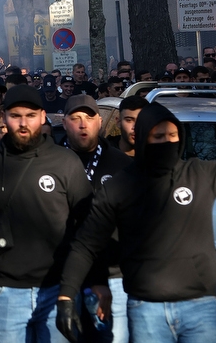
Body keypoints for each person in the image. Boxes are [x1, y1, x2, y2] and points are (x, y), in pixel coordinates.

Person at [58, 103, 216, 343]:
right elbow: (86, 244)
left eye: (172, 135)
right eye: (158, 136)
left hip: (201, 306)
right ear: (144, 139)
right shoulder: (119, 187)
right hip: (146, 308)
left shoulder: (200, 174)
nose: (167, 142)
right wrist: (66, 296)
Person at [0, 85, 93, 343]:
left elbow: (87, 227)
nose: (23, 123)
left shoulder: (66, 162)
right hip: (5, 291)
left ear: (42, 116)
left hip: (58, 289)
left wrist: (73, 287)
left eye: (31, 115)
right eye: (15, 116)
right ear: (3, 118)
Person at [59, 95, 132, 343]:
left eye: (89, 118)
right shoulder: (50, 162)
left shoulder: (123, 165)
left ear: (100, 122)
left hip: (114, 275)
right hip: (61, 275)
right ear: (64, 122)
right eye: (75, 118)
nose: (83, 124)